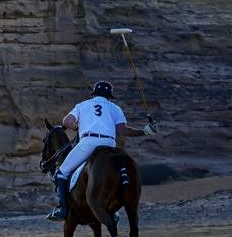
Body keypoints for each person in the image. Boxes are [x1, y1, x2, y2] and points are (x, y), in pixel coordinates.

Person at [47, 81, 157, 222]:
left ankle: (62, 209)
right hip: (109, 144)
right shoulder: (115, 108)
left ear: (94, 94)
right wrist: (145, 131)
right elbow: (122, 131)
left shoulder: (83, 105)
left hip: (88, 143)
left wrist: (77, 128)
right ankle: (111, 209)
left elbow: (66, 121)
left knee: (61, 173)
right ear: (110, 96)